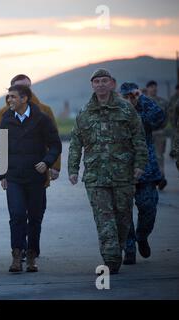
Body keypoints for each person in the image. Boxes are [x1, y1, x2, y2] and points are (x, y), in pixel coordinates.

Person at [68, 69, 148, 274]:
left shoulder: (126, 109)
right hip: (96, 177)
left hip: (123, 174)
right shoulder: (85, 113)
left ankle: (117, 249)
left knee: (123, 218)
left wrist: (140, 165)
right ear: (92, 85)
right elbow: (76, 143)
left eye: (105, 81)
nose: (101, 84)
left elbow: (139, 138)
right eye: (97, 81)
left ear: (112, 84)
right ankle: (111, 258)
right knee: (104, 218)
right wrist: (73, 169)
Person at [0, 74, 61, 259]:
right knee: (16, 215)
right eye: (10, 94)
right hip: (14, 176)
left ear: (26, 95)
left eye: (15, 95)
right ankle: (17, 254)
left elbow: (55, 143)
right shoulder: (5, 116)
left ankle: (32, 254)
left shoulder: (43, 114)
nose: (10, 99)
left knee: (35, 216)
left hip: (37, 176)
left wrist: (51, 164)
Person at [119, 82, 165, 265]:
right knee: (123, 212)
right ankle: (129, 248)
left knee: (148, 208)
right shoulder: (116, 114)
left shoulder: (143, 113)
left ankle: (142, 236)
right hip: (121, 171)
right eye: (126, 96)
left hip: (146, 171)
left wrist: (142, 98)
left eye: (133, 95)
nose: (130, 99)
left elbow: (160, 118)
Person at [145, 80, 169, 190]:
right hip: (146, 133)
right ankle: (150, 178)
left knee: (159, 156)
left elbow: (167, 117)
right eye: (151, 87)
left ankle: (161, 178)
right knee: (147, 156)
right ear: (147, 88)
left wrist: (163, 128)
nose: (154, 89)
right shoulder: (143, 101)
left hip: (159, 132)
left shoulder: (162, 102)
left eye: (155, 87)